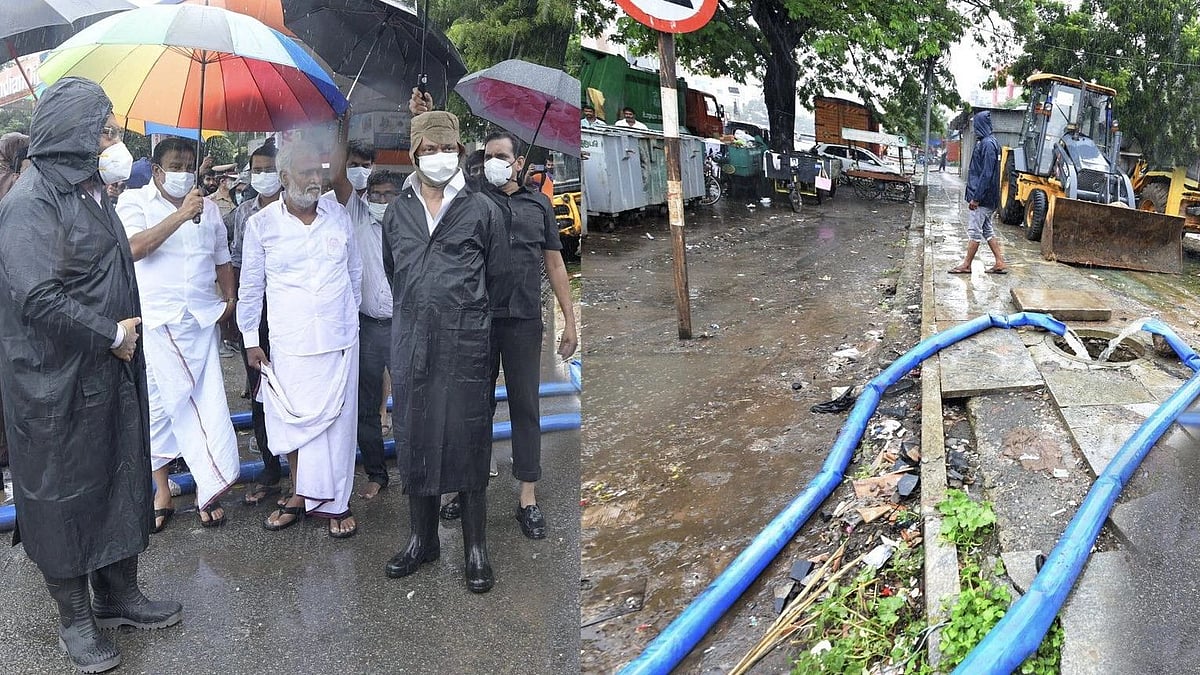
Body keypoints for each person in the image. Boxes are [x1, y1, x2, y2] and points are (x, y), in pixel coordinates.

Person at [0, 76, 182, 674]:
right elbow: (38, 298)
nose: (114, 139)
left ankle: (119, 595)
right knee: (64, 496)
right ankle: (75, 620)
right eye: (105, 128)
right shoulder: (29, 203)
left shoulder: (87, 189)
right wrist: (111, 334)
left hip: (106, 374)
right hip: (54, 382)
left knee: (117, 475)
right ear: (75, 133)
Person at [381, 110, 510, 592]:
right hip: (412, 341)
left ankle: (475, 546)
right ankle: (422, 538)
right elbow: (394, 267)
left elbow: (498, 278)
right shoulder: (398, 210)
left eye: (447, 148)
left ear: (460, 150)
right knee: (415, 435)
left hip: (468, 342)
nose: (439, 157)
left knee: (469, 436)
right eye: (429, 150)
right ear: (414, 155)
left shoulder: (483, 211)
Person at [438, 131, 578, 540]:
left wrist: (570, 320)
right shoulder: (473, 200)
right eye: (488, 157)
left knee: (525, 406)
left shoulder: (540, 205)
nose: (492, 163)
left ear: (519, 162)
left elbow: (554, 266)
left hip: (523, 321)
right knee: (472, 405)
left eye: (501, 156)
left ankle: (527, 499)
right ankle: (464, 487)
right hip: (478, 320)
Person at [238, 141, 363, 539]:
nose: (314, 179)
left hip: (340, 338)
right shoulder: (261, 225)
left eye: (318, 171)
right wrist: (249, 340)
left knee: (338, 426)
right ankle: (300, 492)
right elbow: (250, 288)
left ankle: (337, 503)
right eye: (305, 172)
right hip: (289, 341)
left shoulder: (338, 215)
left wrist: (346, 315)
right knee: (293, 421)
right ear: (284, 177)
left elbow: (354, 271)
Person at [116, 136, 241, 532]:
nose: (184, 173)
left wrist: (231, 300)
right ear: (156, 170)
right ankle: (162, 492)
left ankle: (208, 488)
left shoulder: (210, 211)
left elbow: (222, 259)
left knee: (206, 405)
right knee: (161, 408)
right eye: (176, 165)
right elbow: (134, 248)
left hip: (202, 322)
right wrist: (181, 215)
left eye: (190, 165)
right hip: (156, 323)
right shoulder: (133, 202)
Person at [327, 130, 393, 500]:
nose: (381, 199)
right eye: (377, 194)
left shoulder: (405, 218)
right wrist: (344, 122)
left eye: (389, 194)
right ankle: (377, 474)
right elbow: (337, 178)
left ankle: (421, 472)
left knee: (416, 401)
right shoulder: (353, 210)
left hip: (403, 325)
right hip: (366, 326)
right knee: (366, 406)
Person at [226, 139, 285, 507]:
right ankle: (270, 468)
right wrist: (237, 316)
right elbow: (236, 264)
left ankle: (304, 470)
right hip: (256, 315)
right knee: (261, 393)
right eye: (257, 169)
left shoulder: (296, 208)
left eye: (269, 169)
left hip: (289, 313)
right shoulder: (244, 214)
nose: (263, 176)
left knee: (293, 388)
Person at [950, 111, 1007, 275]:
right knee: (987, 230)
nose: (974, 130)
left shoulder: (988, 144)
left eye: (976, 126)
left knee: (974, 231)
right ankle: (1000, 262)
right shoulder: (991, 142)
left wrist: (976, 198)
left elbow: (986, 174)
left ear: (981, 125)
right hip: (988, 198)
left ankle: (967, 264)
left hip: (983, 199)